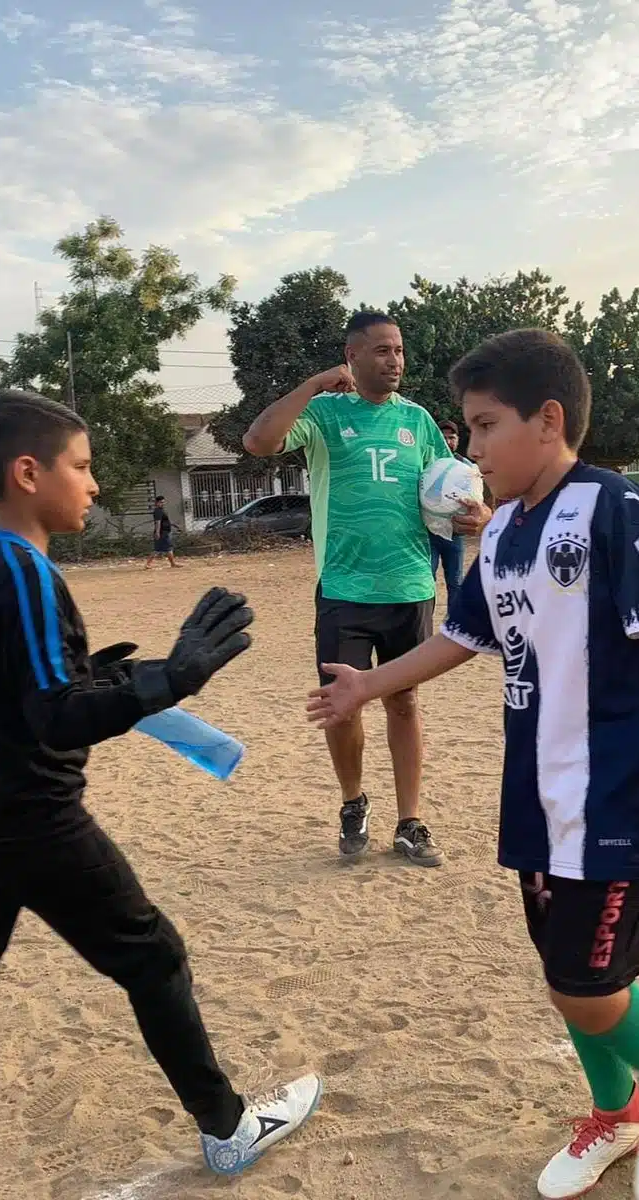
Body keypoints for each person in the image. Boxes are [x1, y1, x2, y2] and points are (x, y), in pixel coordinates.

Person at [0, 391, 319, 1200]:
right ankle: (227, 1130)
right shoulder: (27, 572)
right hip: (31, 822)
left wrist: (110, 674)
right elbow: (57, 719)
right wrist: (168, 678)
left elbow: (31, 691)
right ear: (28, 472)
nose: (94, 484)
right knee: (156, 957)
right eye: (81, 466)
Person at [308, 328, 639, 1200]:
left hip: (615, 787)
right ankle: (611, 1113)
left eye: (484, 426)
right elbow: (462, 638)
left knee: (589, 982)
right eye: (464, 429)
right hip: (535, 792)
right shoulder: (498, 537)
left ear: (548, 420)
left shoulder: (615, 505)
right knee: (562, 972)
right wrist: (366, 685)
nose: (469, 449)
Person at [242, 311, 490, 866]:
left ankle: (410, 821)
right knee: (343, 707)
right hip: (344, 589)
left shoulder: (419, 422)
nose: (395, 360)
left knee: (404, 700)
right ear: (352, 357)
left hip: (408, 585)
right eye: (381, 350)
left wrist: (476, 516)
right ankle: (353, 802)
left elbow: (453, 491)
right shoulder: (324, 414)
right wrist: (310, 385)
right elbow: (259, 441)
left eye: (398, 350)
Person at [429, 419, 468, 605]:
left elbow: (479, 494)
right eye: (443, 438)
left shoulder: (466, 466)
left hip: (455, 534)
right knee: (428, 582)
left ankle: (453, 626)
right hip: (430, 534)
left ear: (458, 440)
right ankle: (426, 623)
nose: (447, 442)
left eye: (451, 437)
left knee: (456, 582)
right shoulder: (428, 464)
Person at [145, 494, 180, 569]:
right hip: (163, 532)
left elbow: (165, 521)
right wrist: (157, 533)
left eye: (163, 502)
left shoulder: (161, 510)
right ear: (157, 503)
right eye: (161, 502)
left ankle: (148, 564)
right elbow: (158, 522)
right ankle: (173, 564)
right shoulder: (158, 511)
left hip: (165, 532)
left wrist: (173, 525)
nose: (162, 504)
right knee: (167, 548)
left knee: (159, 549)